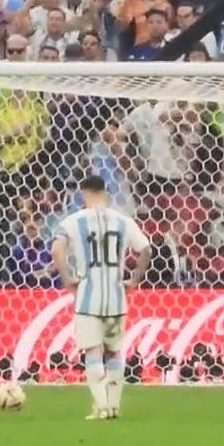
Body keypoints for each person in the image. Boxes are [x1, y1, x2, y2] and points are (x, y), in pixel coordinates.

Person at [51, 175, 151, 421]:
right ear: (105, 192)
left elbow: (56, 248)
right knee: (114, 352)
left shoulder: (73, 221)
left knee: (93, 352)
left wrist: (67, 277)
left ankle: (101, 405)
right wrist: (134, 279)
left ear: (83, 193)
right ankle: (114, 406)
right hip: (116, 297)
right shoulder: (123, 221)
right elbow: (146, 249)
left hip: (88, 298)